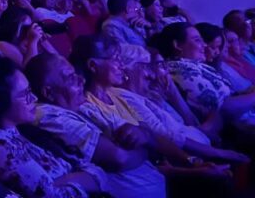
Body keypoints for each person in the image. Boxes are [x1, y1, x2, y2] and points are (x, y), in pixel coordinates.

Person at [72, 35, 246, 165]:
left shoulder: (119, 94)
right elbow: (159, 138)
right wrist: (201, 159)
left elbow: (157, 134)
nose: (121, 66)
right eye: (115, 59)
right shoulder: (87, 106)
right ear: (93, 66)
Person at [24, 53, 169, 198]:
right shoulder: (48, 115)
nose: (82, 80)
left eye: (76, 74)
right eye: (70, 78)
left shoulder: (83, 106)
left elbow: (148, 135)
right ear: (48, 93)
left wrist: (144, 137)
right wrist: (144, 147)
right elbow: (119, 158)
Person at [0, 52, 105, 198]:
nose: (34, 98)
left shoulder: (24, 129)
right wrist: (82, 178)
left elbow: (92, 168)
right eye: (25, 94)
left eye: (30, 91)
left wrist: (68, 180)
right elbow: (54, 196)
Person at [157, 22, 255, 137]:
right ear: (177, 45)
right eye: (197, 40)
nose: (204, 45)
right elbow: (224, 110)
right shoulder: (180, 70)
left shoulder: (194, 65)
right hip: (243, 130)